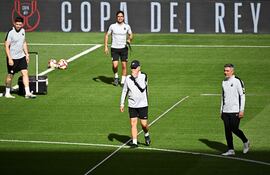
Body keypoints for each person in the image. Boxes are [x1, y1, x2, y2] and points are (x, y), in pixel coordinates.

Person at [220, 63, 249, 156]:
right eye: (224, 70)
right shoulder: (224, 81)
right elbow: (222, 96)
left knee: (234, 129)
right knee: (227, 130)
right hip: (225, 111)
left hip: (235, 110)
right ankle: (231, 149)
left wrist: (241, 110)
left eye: (227, 70)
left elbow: (242, 96)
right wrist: (221, 110)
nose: (225, 72)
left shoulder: (238, 81)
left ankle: (246, 141)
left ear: (232, 71)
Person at [120, 60, 150, 148]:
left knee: (144, 124)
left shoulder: (143, 76)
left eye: (135, 68)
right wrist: (122, 103)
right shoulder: (127, 78)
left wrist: (135, 78)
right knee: (133, 123)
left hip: (143, 104)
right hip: (132, 104)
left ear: (139, 68)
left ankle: (146, 134)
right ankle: (134, 142)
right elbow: (124, 91)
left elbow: (143, 87)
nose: (133, 70)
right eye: (132, 68)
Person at [4, 16, 36, 99]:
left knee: (25, 73)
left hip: (21, 57)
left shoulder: (23, 31)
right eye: (17, 24)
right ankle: (7, 92)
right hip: (13, 58)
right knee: (10, 75)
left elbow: (24, 42)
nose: (18, 26)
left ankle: (27, 93)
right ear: (14, 23)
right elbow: (6, 46)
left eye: (20, 24)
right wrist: (10, 58)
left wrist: (27, 54)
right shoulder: (11, 32)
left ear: (22, 24)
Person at [104, 10, 133, 86]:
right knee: (115, 65)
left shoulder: (127, 26)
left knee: (124, 65)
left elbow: (131, 34)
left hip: (124, 48)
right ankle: (116, 77)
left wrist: (129, 39)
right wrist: (106, 46)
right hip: (114, 48)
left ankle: (123, 81)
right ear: (116, 17)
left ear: (123, 18)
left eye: (121, 16)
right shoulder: (112, 26)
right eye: (118, 16)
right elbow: (107, 35)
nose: (120, 18)